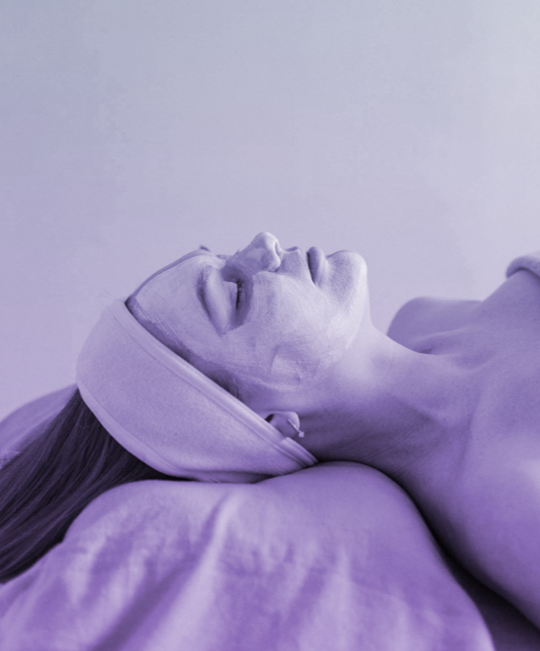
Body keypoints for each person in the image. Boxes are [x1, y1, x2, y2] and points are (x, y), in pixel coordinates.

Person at [1, 232, 540, 633]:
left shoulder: (423, 318)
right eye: (236, 293)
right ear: (275, 423)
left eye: (223, 256)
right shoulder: (509, 497)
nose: (263, 243)